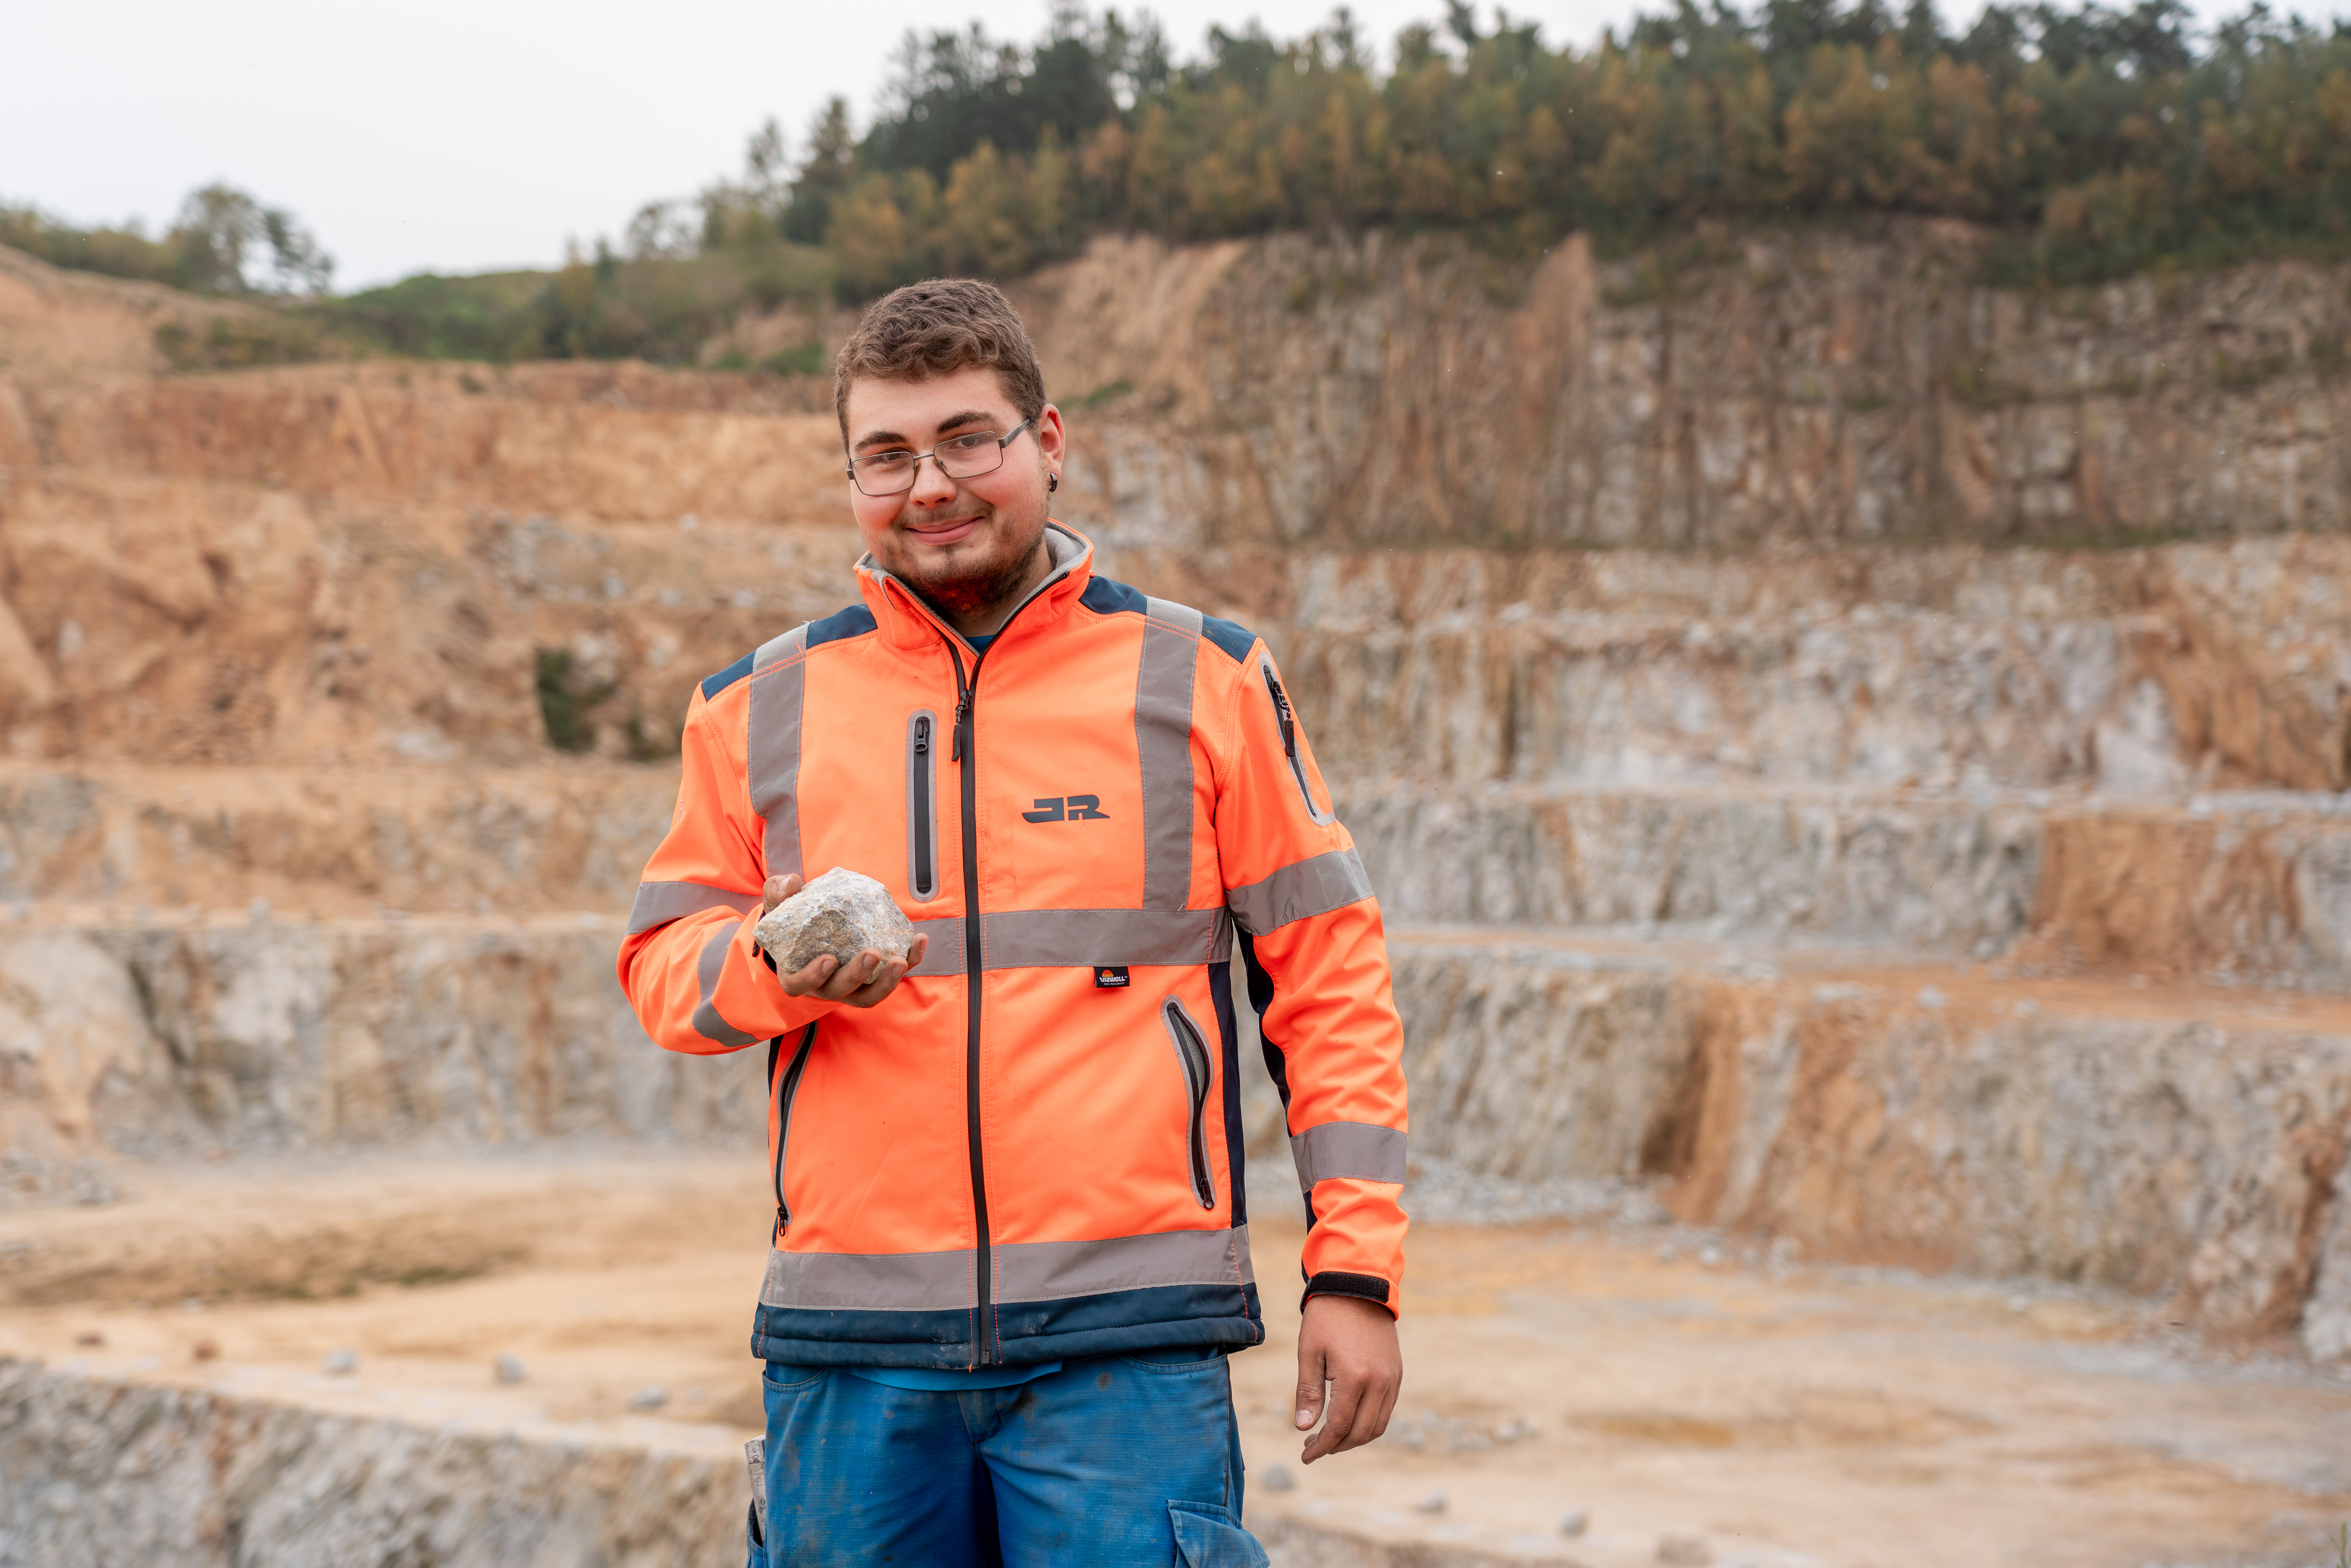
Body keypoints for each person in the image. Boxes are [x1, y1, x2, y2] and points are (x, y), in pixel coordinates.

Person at [617, 278, 1409, 1568]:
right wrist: (771, 964)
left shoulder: (1202, 679)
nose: (930, 485)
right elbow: (661, 973)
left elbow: (1331, 977)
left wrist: (1356, 1273)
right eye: (887, 455)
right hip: (854, 1354)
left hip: (1129, 1347)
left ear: (1049, 442)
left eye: (969, 439)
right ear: (851, 477)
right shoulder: (756, 706)